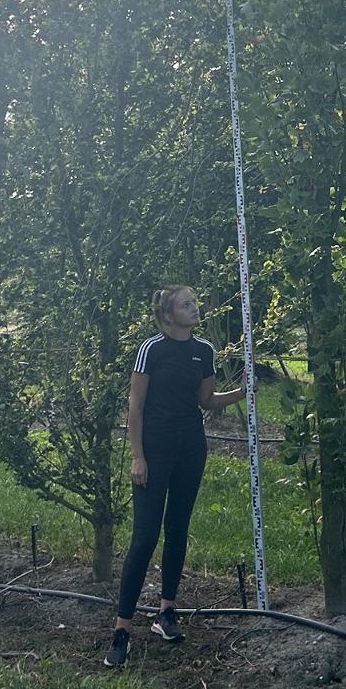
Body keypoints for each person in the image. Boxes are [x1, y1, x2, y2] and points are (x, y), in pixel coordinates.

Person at [103, 285, 247, 668]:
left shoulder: (204, 351)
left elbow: (206, 401)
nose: (195, 308)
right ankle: (121, 628)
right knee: (144, 537)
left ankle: (167, 611)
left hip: (191, 448)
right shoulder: (152, 349)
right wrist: (138, 456)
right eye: (187, 304)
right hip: (154, 450)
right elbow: (135, 406)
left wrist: (241, 390)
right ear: (168, 315)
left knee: (178, 528)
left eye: (195, 302)